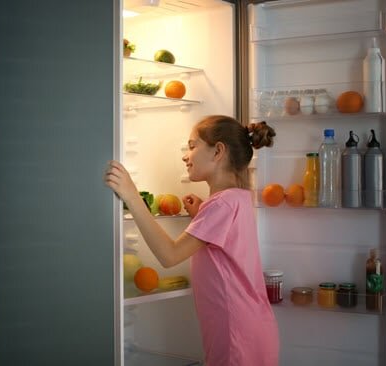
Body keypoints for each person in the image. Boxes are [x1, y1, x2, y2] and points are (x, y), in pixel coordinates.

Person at [104, 115, 279, 366]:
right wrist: (201, 214)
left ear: (218, 151)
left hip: (235, 332)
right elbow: (226, 248)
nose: (186, 156)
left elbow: (169, 255)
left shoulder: (220, 205)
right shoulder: (237, 198)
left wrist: (133, 197)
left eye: (192, 145)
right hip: (253, 326)